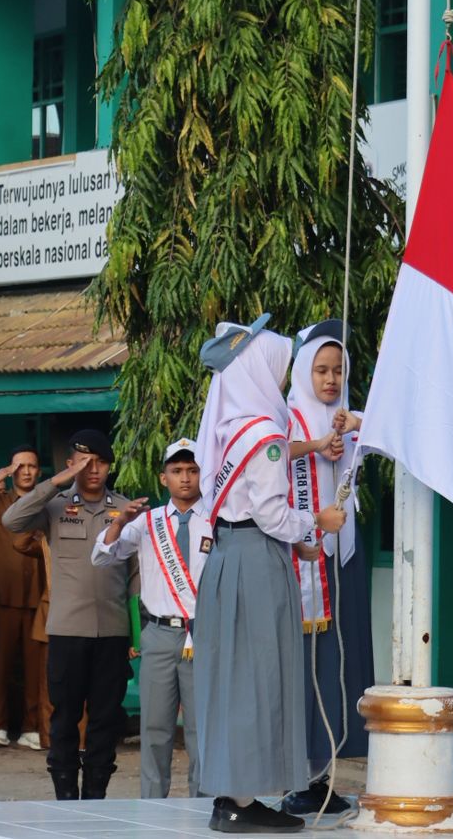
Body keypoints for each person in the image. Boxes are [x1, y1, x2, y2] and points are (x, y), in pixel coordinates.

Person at [191, 316, 346, 834]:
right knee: (259, 679)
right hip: (257, 560)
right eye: (278, 372)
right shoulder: (265, 434)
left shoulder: (228, 426)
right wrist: (318, 523)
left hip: (228, 559)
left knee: (231, 681)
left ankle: (229, 796)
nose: (281, 383)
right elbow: (273, 514)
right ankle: (241, 800)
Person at [4, 429, 135, 800]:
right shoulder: (56, 505)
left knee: (105, 718)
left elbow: (135, 574)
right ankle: (65, 795)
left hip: (112, 632)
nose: (93, 469)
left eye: (101, 462)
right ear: (70, 465)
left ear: (110, 466)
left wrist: (136, 636)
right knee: (64, 717)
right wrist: (52, 483)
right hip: (67, 630)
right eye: (84, 462)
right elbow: (11, 521)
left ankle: (96, 795)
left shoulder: (123, 509)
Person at [280, 321, 373, 816]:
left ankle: (323, 775)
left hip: (340, 562)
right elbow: (269, 455)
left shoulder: (349, 415)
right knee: (302, 671)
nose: (330, 380)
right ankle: (298, 776)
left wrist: (353, 425)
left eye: (338, 370)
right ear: (303, 371)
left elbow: (389, 436)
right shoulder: (288, 417)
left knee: (336, 668)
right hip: (300, 563)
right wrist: (317, 446)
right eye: (320, 370)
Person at [93, 437, 209, 798]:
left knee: (201, 729)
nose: (185, 478)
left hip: (204, 636)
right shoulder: (148, 522)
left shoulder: (219, 519)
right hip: (159, 634)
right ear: (164, 479)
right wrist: (119, 523)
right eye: (177, 471)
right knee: (155, 729)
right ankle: (152, 808)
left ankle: (205, 804)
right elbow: (102, 556)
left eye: (192, 470)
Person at [0, 446, 46, 751]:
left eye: (31, 466)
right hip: (0, 594)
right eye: (19, 467)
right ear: (10, 470)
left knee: (35, 668)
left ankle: (31, 726)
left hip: (37, 597)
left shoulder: (47, 502)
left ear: (39, 471)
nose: (26, 472)